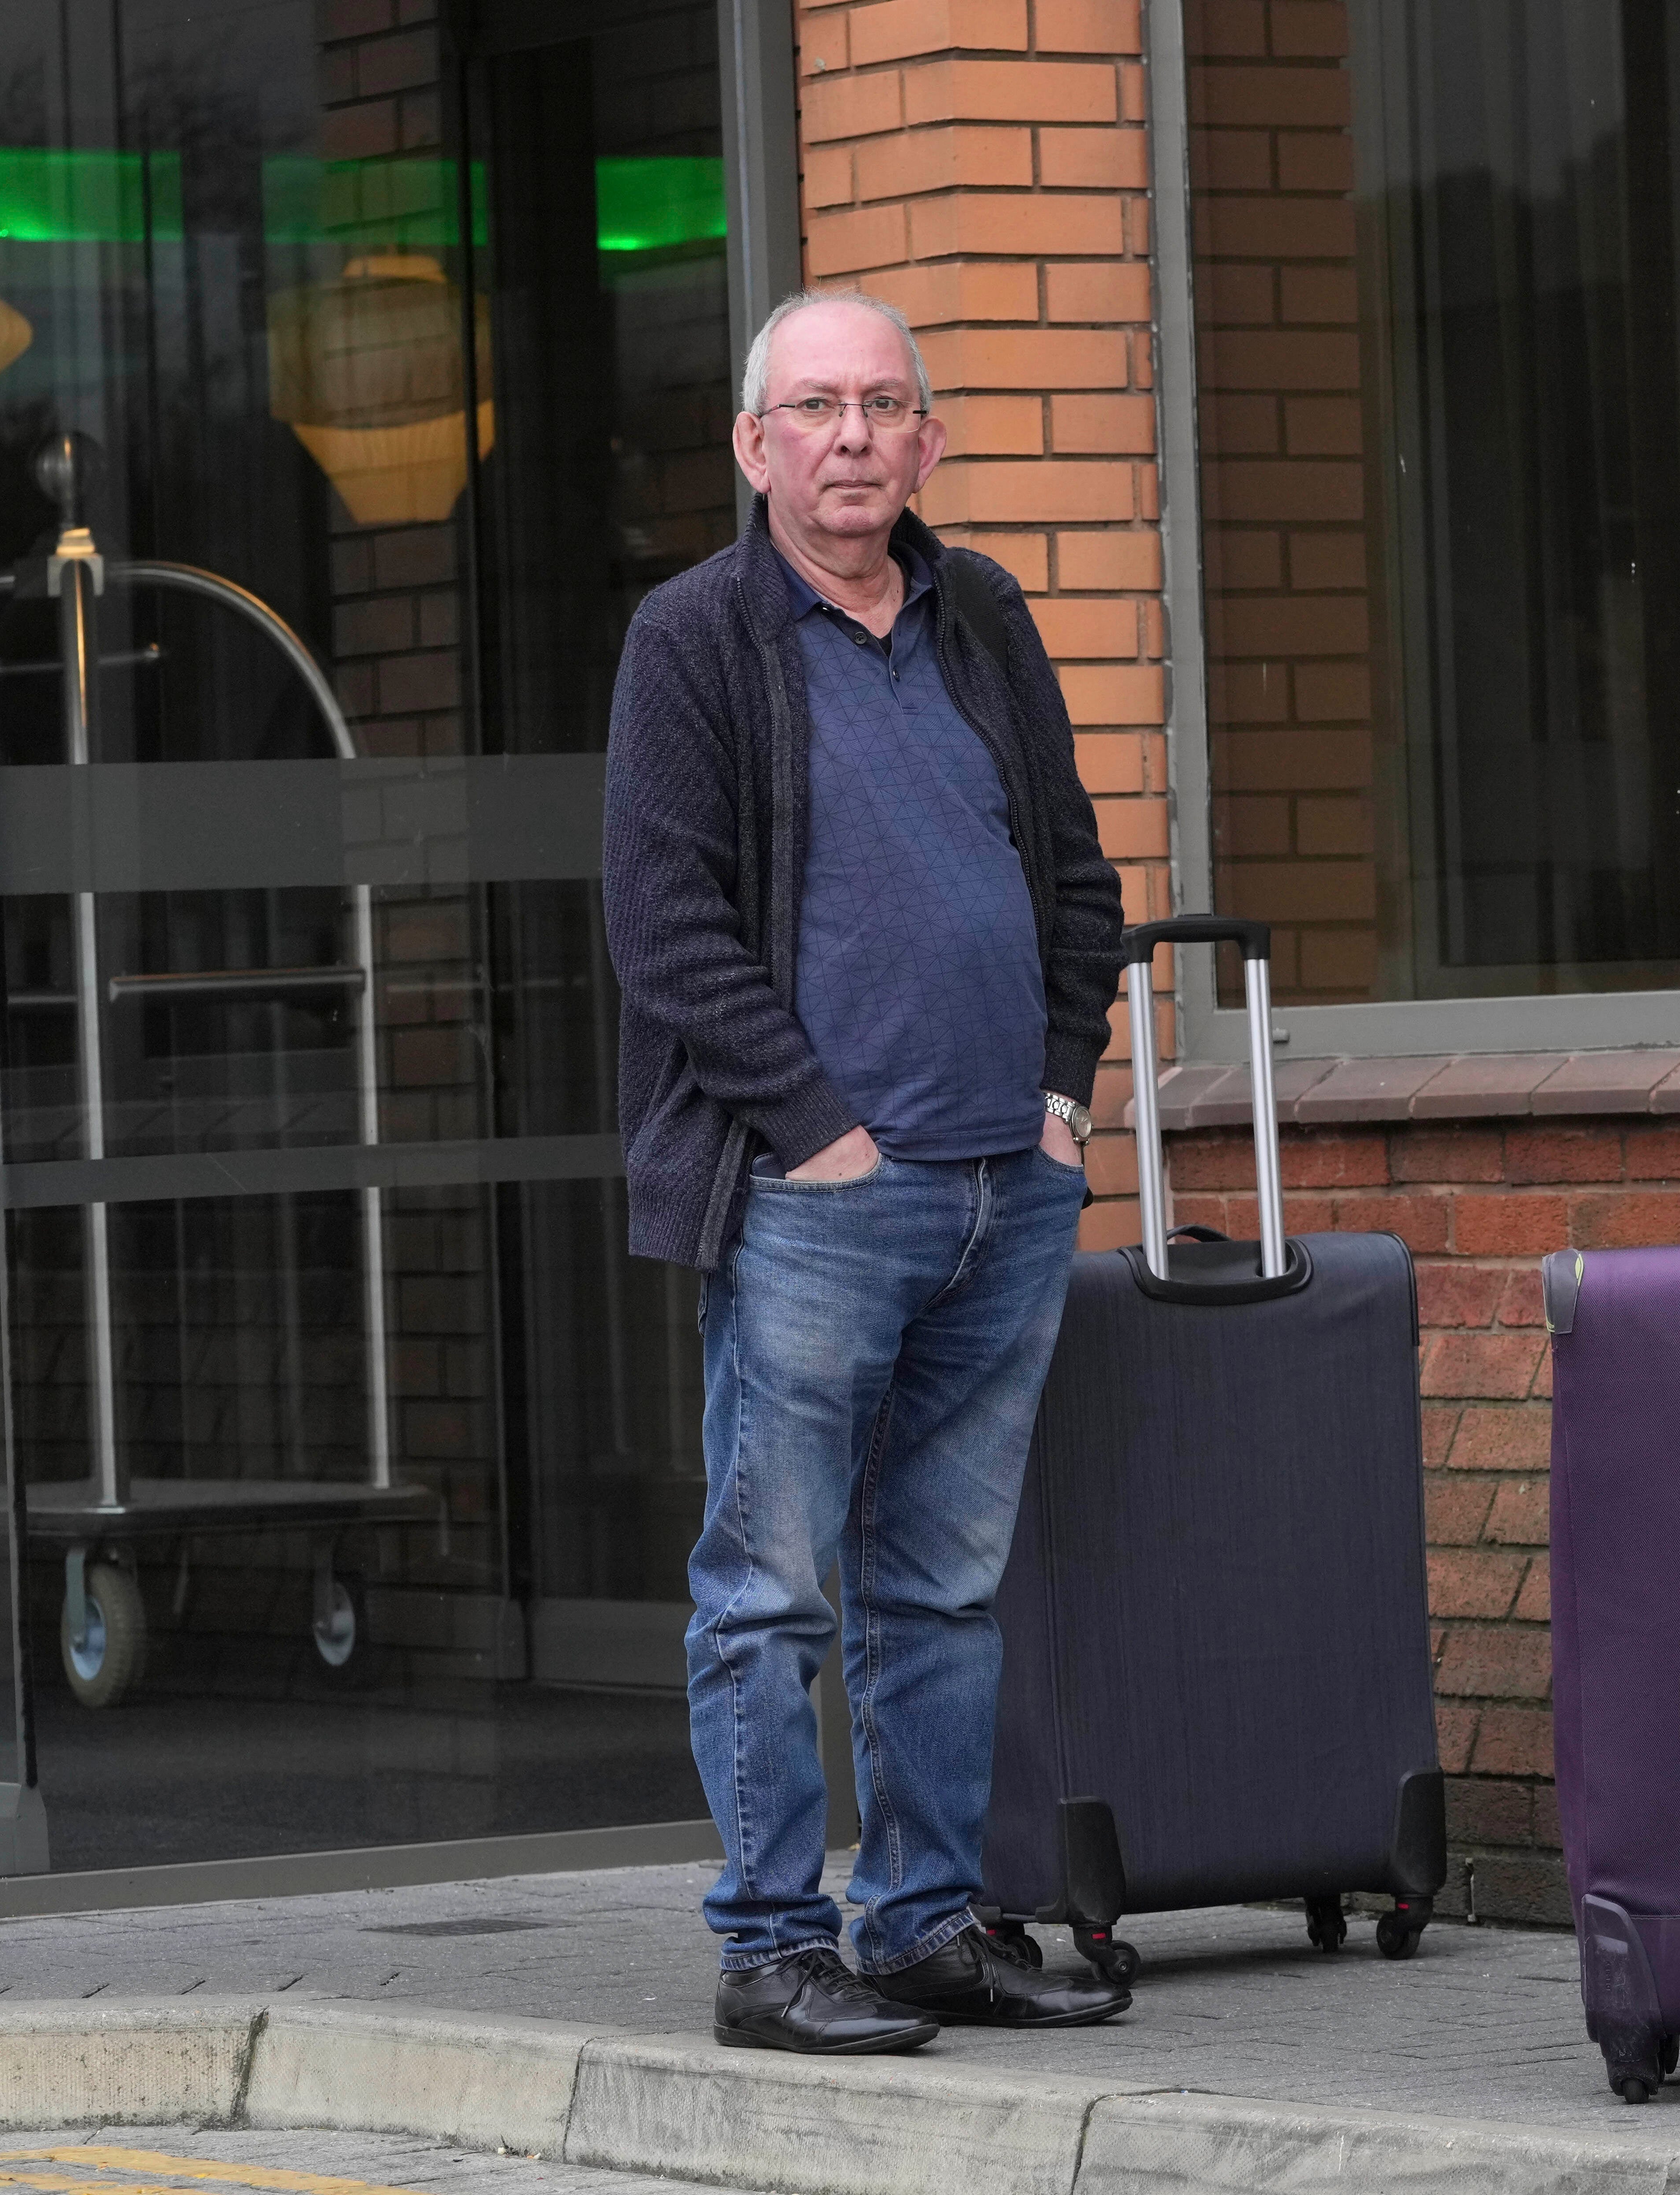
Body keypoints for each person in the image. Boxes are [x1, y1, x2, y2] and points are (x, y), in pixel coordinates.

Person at [604, 289, 1129, 2053]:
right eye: (813, 409)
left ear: (927, 443)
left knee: (948, 1585)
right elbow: (668, 932)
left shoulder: (980, 615)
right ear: (754, 447)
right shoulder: (696, 640)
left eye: (881, 407)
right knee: (773, 1590)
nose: (850, 437)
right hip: (818, 1198)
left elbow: (1075, 876)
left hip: (1006, 1186)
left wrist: (1062, 1096)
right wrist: (818, 1134)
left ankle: (919, 1923)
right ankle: (771, 1943)